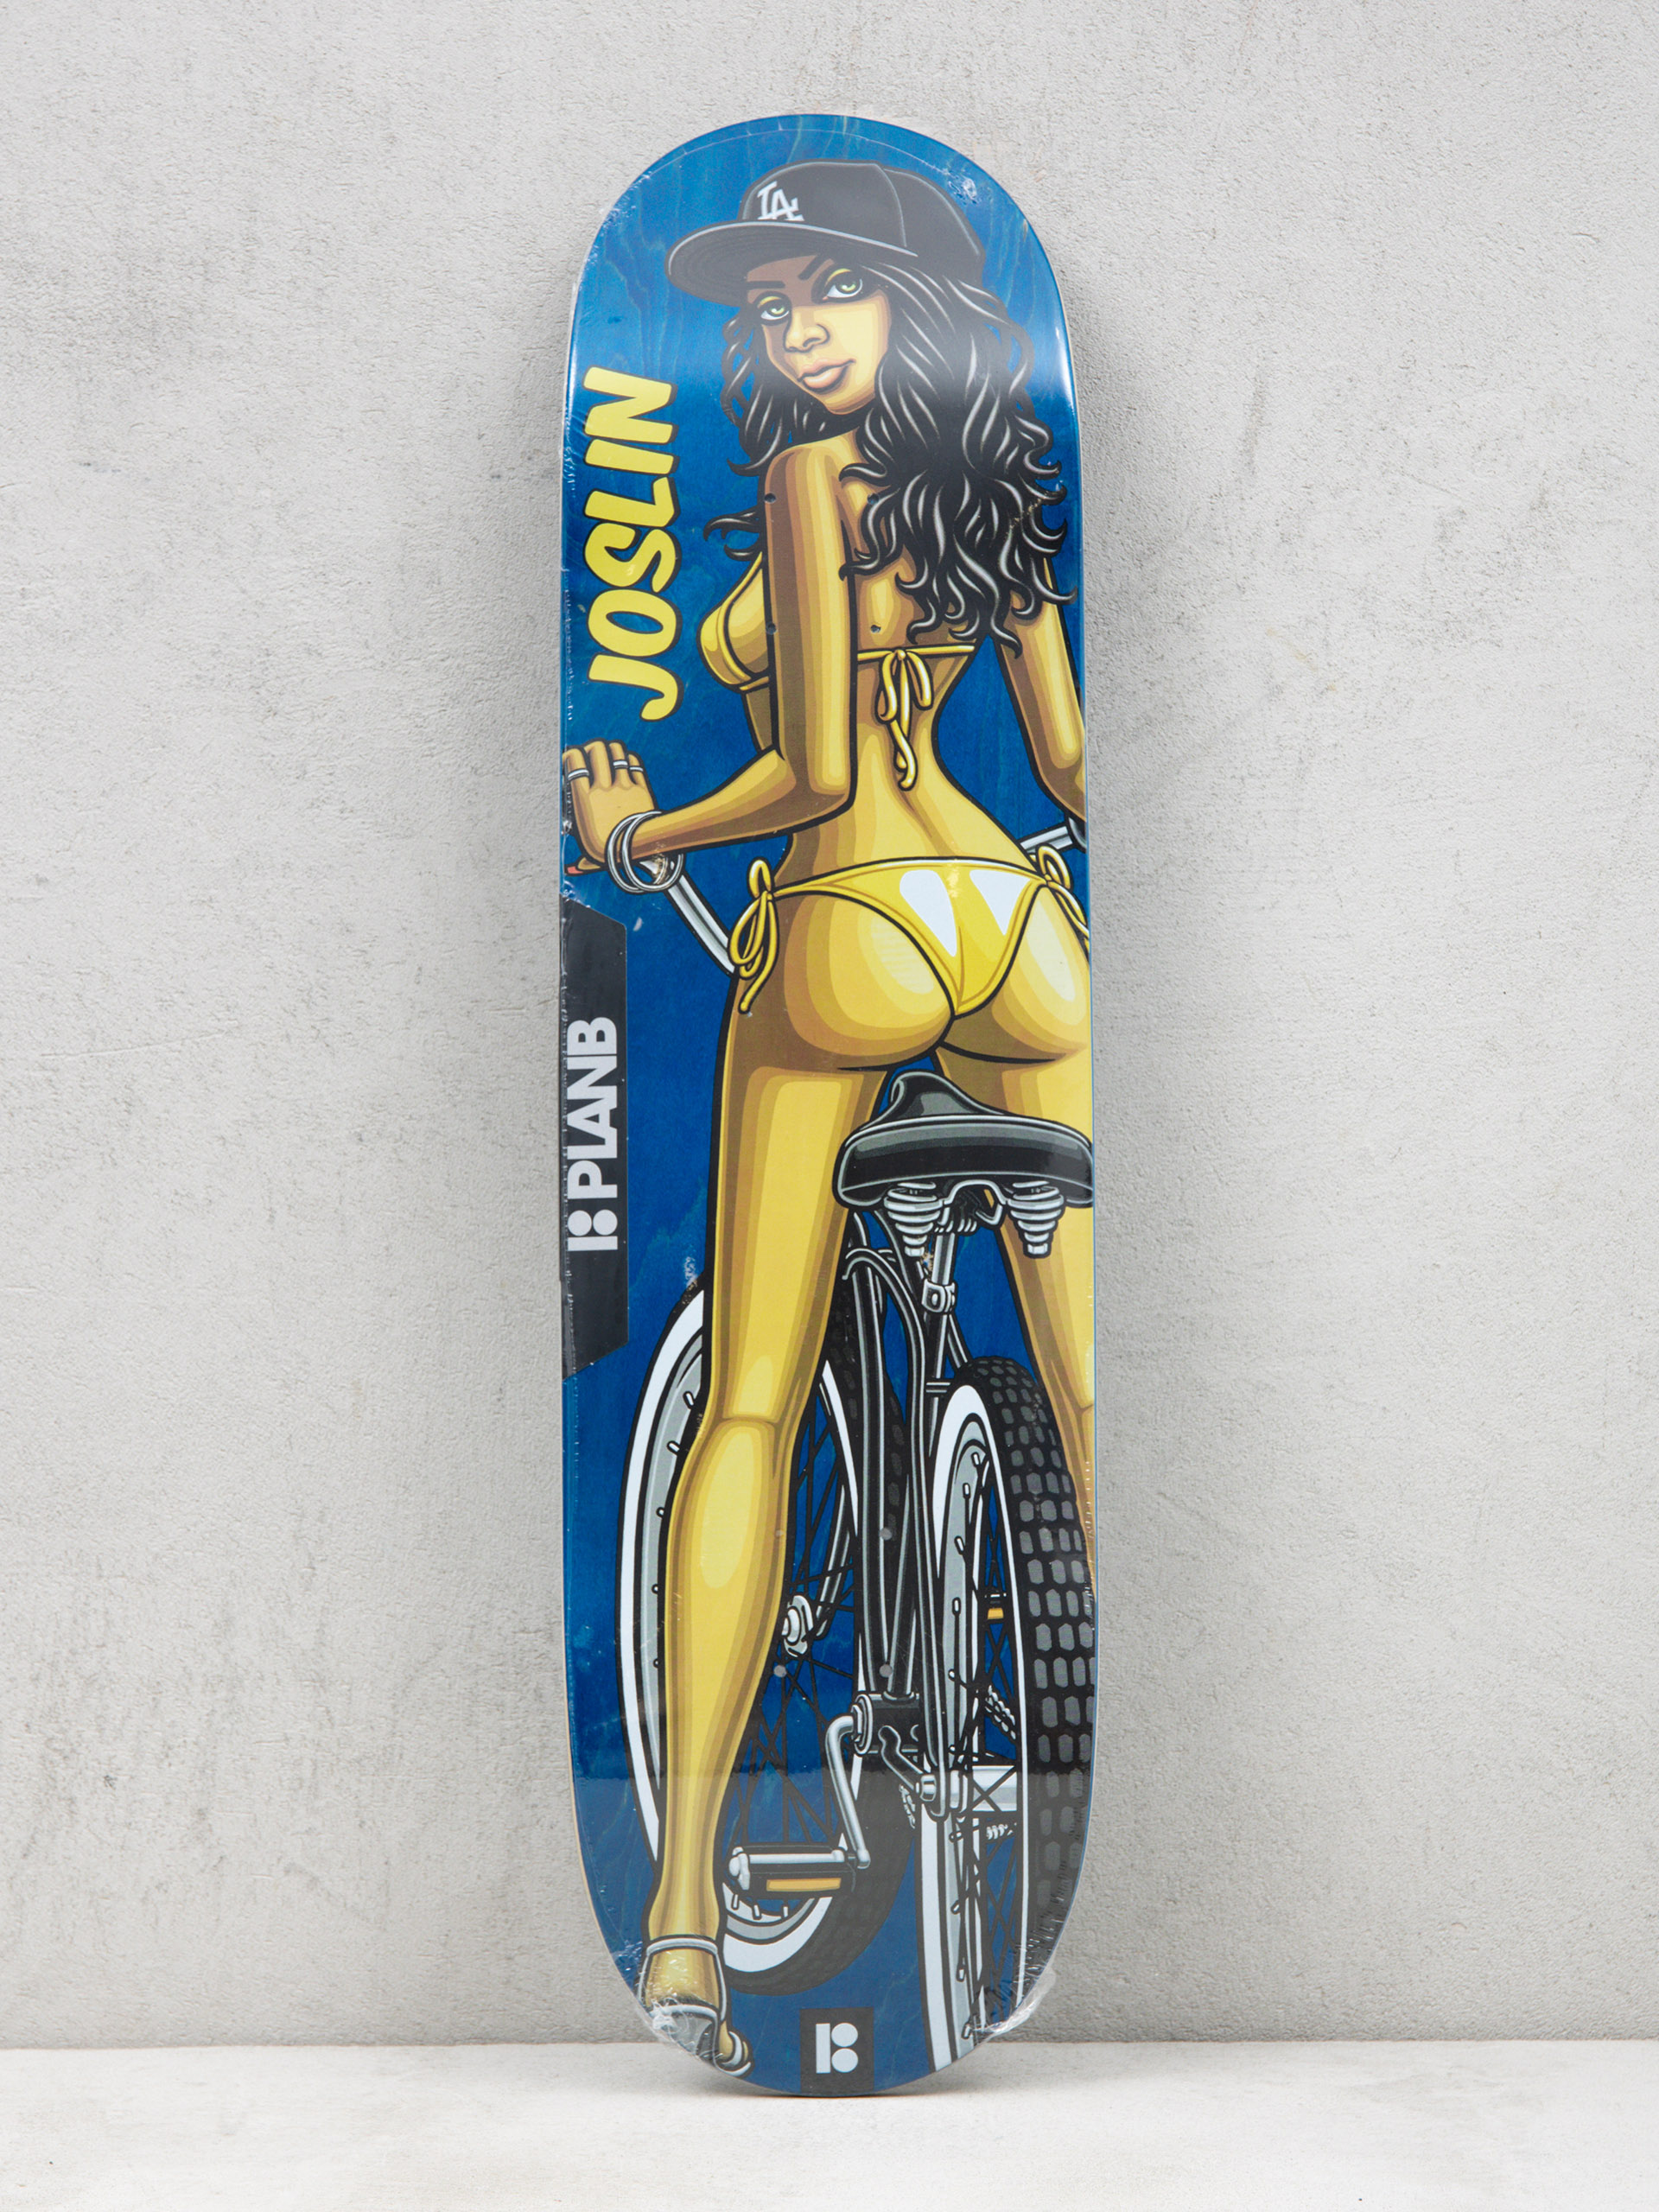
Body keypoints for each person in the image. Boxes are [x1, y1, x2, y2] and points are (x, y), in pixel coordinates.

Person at [563, 161, 1093, 2074]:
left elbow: (800, 768)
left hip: (852, 923)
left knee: (753, 1402)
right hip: (1018, 926)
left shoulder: (811, 480)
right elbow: (1069, 762)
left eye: (831, 293)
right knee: (1086, 1390)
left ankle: (687, 1915)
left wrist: (644, 833)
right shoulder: (998, 492)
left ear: (904, 313)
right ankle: (1059, 1663)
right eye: (773, 303)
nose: (793, 330)